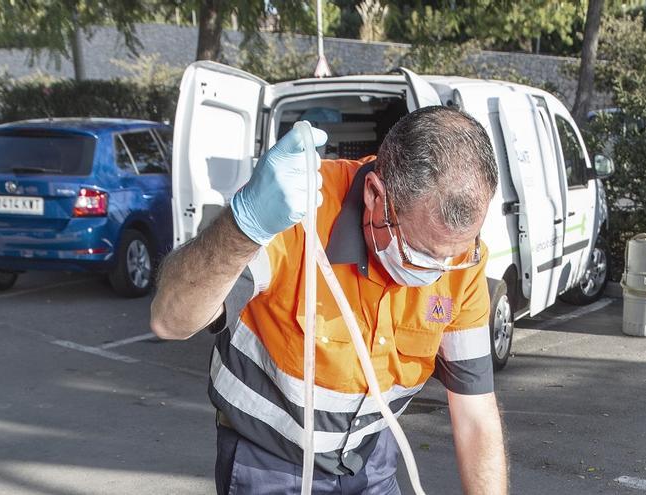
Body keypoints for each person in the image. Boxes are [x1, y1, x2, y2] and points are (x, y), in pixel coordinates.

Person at [150, 106, 508, 494]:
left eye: (453, 256)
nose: (437, 272)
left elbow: (475, 414)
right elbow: (170, 319)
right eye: (419, 255)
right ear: (374, 195)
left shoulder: (460, 258)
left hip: (369, 458)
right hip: (271, 463)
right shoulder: (294, 212)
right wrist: (244, 226)